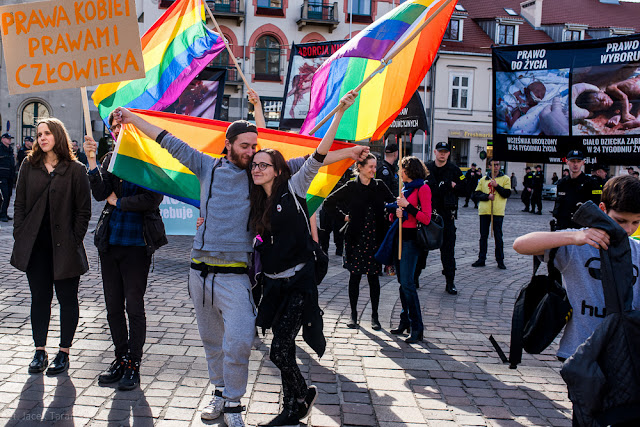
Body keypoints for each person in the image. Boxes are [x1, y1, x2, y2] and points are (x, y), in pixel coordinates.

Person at [113, 90, 368, 426]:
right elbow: (166, 139)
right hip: (199, 272)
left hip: (236, 275)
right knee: (211, 342)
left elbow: (312, 158)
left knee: (242, 339)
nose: (251, 152)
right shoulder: (206, 166)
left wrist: (350, 152)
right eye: (246, 146)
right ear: (229, 144)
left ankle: (234, 403)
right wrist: (131, 118)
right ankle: (220, 394)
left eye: (255, 146)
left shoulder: (261, 172)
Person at [250, 91, 357, 426]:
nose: (256, 168)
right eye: (254, 164)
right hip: (274, 286)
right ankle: (292, 406)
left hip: (299, 282)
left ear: (278, 170)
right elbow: (260, 143)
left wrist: (339, 112)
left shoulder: (294, 187)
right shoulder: (255, 199)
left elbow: (318, 154)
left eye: (263, 165)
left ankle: (301, 396)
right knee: (285, 346)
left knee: (279, 349)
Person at [513, 175, 640, 363]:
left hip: (626, 352)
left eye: (636, 222)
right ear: (602, 209)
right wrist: (574, 237)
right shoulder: (578, 244)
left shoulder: (636, 250)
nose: (627, 229)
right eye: (620, 221)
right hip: (579, 351)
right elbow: (520, 245)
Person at [83, 112, 167, 391]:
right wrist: (93, 161)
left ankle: (134, 362)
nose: (117, 131)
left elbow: (153, 198)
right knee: (112, 307)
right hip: (111, 242)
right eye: (114, 128)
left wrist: (120, 203)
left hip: (137, 244)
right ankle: (120, 357)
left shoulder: (146, 157)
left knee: (134, 307)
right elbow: (100, 193)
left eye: (122, 126)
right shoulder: (110, 159)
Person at [10, 118, 91, 375]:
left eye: (46, 133)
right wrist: (20, 232)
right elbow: (19, 202)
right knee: (40, 299)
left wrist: (74, 239)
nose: (42, 138)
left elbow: (83, 210)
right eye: (39, 134)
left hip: (65, 247)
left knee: (67, 300)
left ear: (58, 135)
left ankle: (64, 352)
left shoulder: (75, 169)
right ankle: (39, 351)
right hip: (36, 246)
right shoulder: (28, 165)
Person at [324, 153, 395, 330]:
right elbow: (328, 203)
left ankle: (375, 317)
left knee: (373, 279)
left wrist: (397, 207)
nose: (374, 170)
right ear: (360, 167)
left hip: (375, 239)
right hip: (355, 239)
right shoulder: (350, 187)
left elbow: (392, 201)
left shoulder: (379, 186)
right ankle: (353, 315)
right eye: (370, 166)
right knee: (354, 278)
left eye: (375, 166)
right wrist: (344, 217)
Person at [387, 156, 431, 343]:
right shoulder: (404, 189)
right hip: (399, 237)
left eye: (401, 169)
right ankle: (405, 321)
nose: (399, 173)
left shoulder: (423, 188)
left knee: (408, 283)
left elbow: (426, 218)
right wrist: (396, 213)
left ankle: (417, 327)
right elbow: (400, 216)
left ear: (409, 171)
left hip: (412, 241)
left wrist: (408, 207)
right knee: (401, 282)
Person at [425, 142, 465, 295]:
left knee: (448, 251)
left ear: (449, 154)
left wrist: (454, 186)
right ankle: (415, 277)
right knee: (423, 247)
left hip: (447, 215)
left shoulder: (454, 170)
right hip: (429, 213)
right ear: (435, 152)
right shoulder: (427, 168)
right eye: (440, 151)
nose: (442, 154)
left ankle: (450, 281)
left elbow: (466, 189)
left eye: (445, 152)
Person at [472, 158, 511, 269]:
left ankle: (500, 260)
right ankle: (481, 259)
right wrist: (487, 196)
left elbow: (507, 193)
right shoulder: (483, 180)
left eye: (498, 165)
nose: (496, 167)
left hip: (497, 212)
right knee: (483, 236)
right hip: (485, 211)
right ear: (489, 166)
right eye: (494, 165)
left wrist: (497, 186)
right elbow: (476, 194)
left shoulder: (505, 179)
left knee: (498, 237)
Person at [553, 150, 602, 230]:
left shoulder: (592, 183)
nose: (575, 164)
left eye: (578, 161)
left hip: (583, 228)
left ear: (583, 162)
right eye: (572, 161)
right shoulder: (562, 183)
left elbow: (597, 208)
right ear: (567, 162)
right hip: (563, 227)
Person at [0, 133, 16, 222]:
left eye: (10, 138)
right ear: (3, 139)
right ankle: (2, 214)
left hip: (10, 176)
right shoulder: (0, 149)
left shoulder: (10, 149)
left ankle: (4, 213)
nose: (9, 140)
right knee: (4, 195)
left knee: (9, 195)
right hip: (2, 176)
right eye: (8, 138)